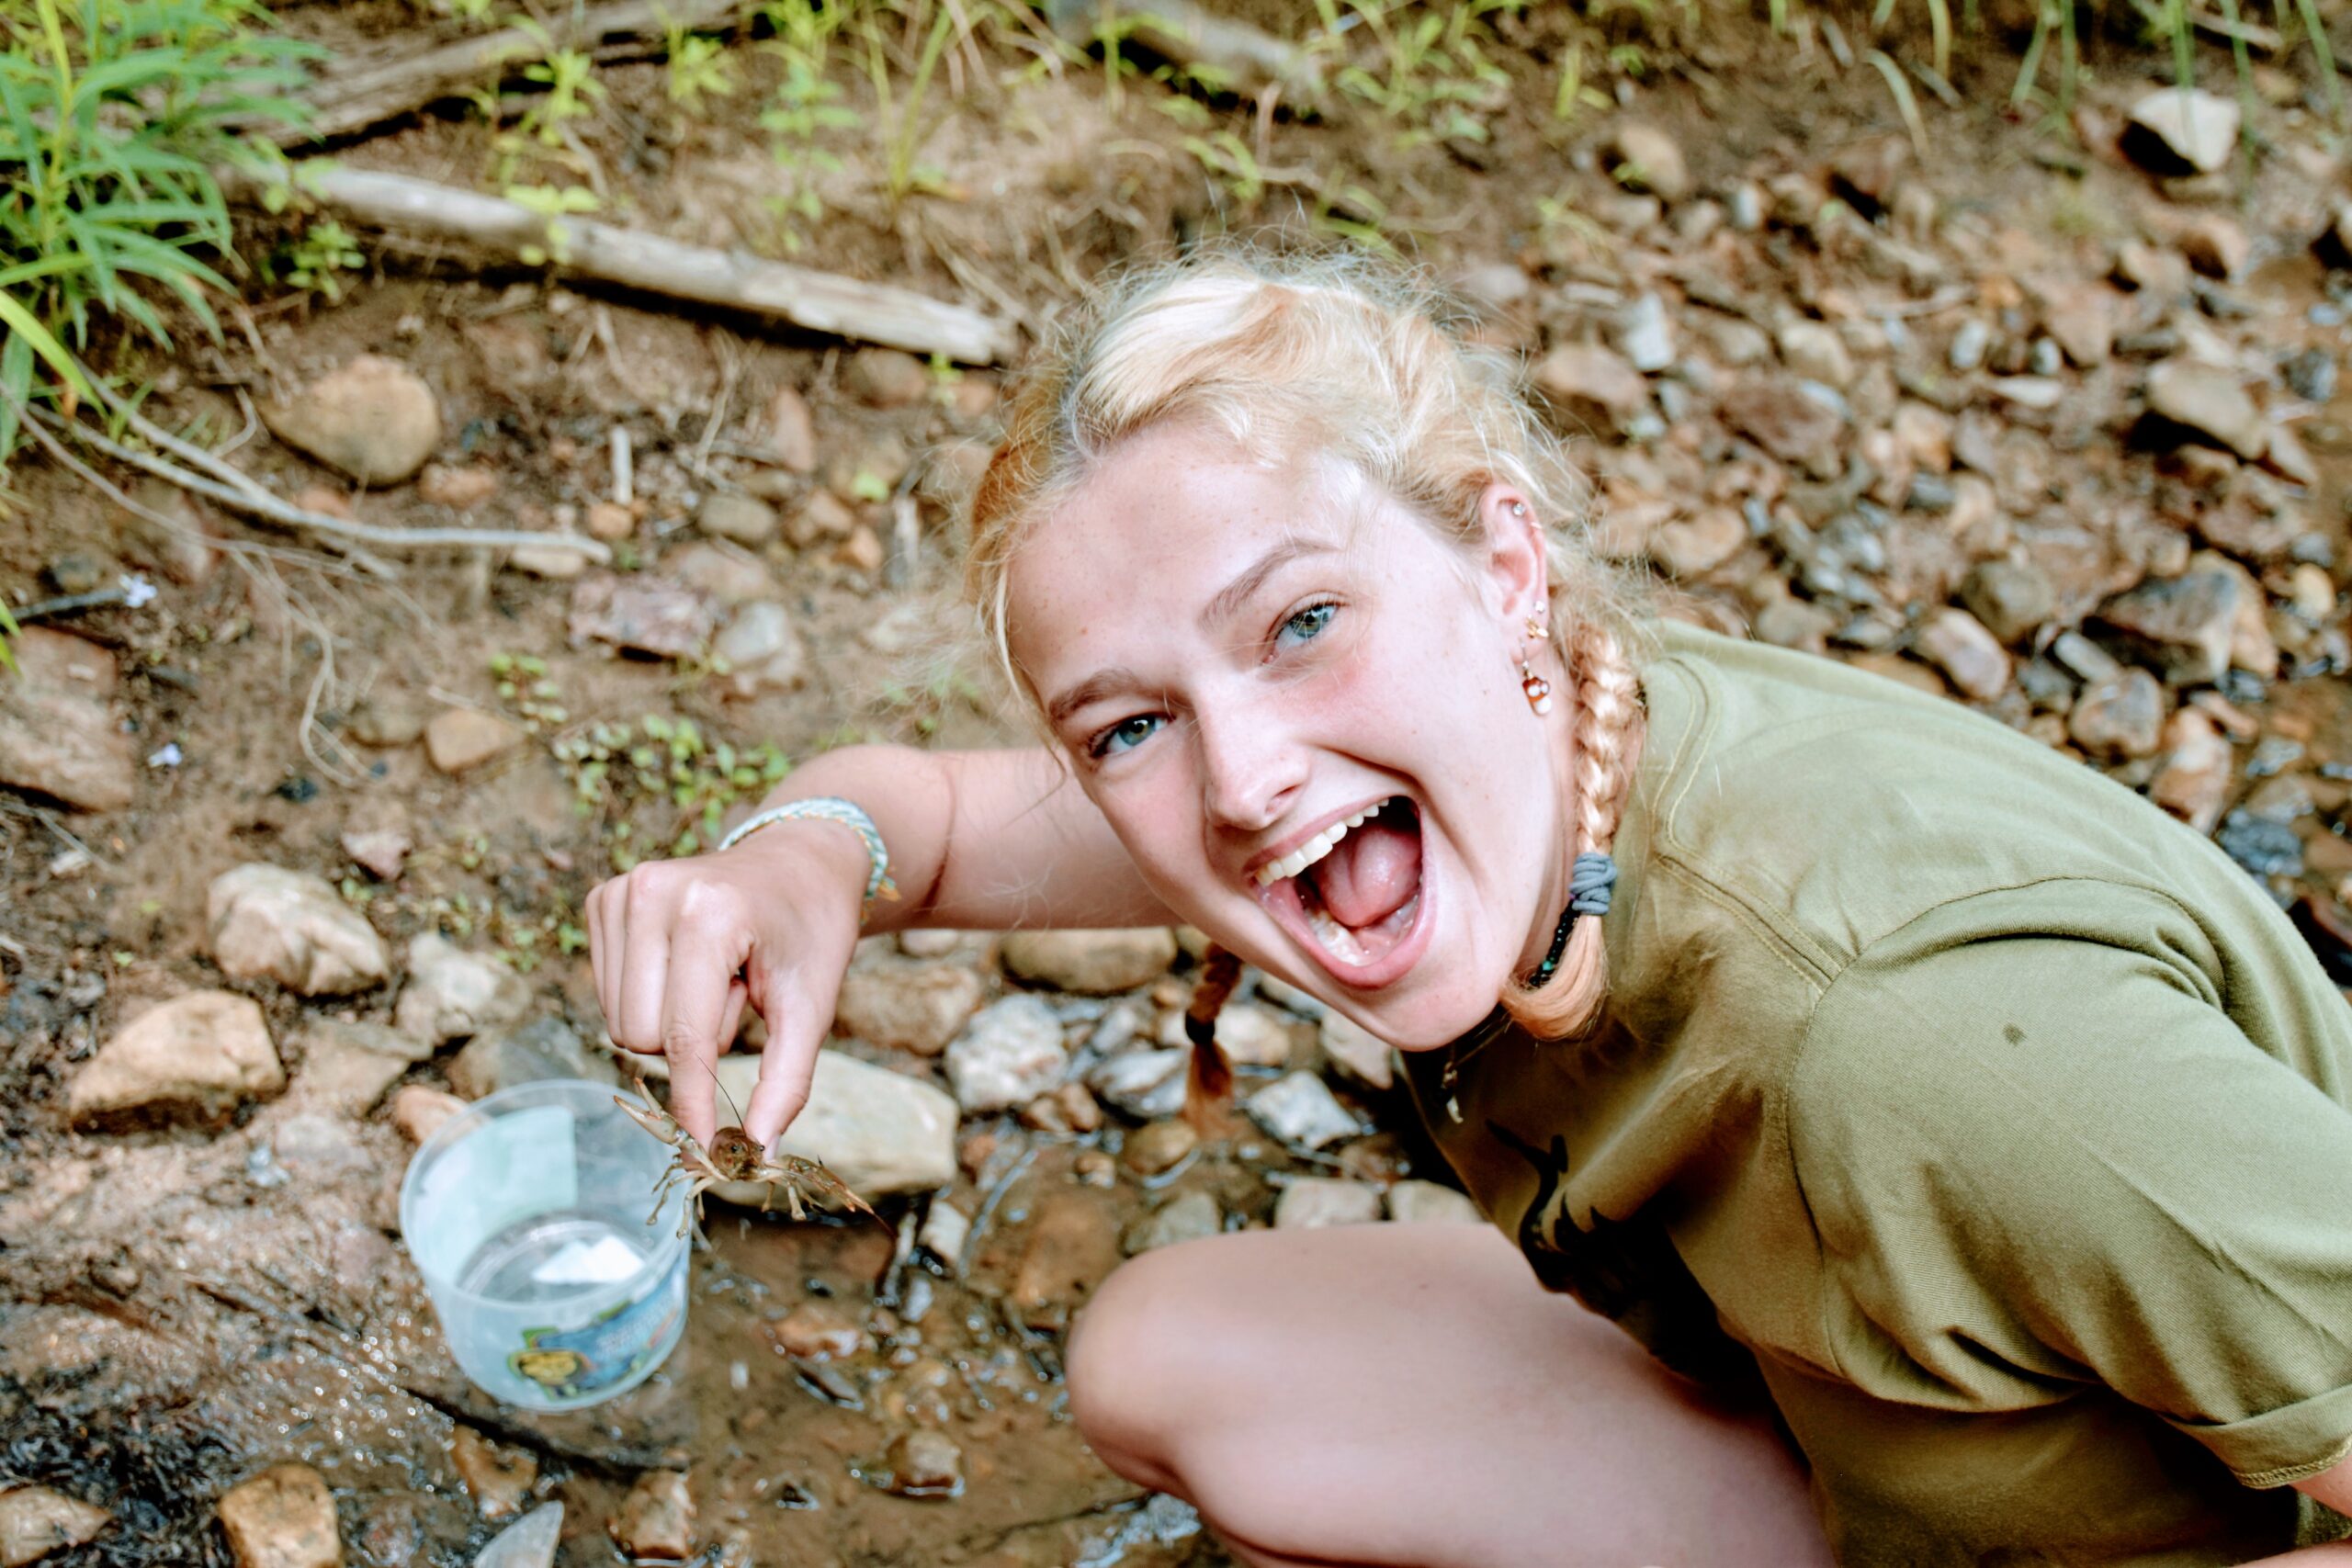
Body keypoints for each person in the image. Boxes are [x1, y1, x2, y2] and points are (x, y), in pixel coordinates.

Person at [585, 250, 2352, 1567]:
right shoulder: (1517, 736)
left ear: (1505, 565)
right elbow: (930, 823)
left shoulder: (1915, 1036)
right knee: (1175, 1366)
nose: (1240, 778)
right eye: (1129, 724)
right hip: (1860, 1440)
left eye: (1299, 622)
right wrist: (793, 854)